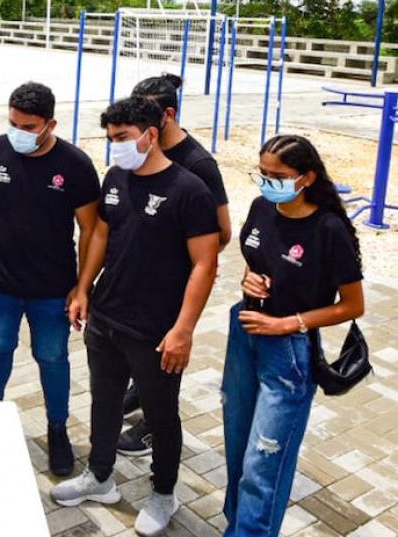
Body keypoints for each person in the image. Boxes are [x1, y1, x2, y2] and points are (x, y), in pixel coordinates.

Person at [52, 97, 220, 537]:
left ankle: (164, 493)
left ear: (149, 134)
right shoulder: (115, 178)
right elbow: (102, 234)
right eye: (111, 139)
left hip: (156, 330)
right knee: (103, 403)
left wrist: (183, 330)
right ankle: (101, 477)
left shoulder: (189, 189)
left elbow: (205, 263)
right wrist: (83, 289)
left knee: (161, 417)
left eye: (123, 138)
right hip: (106, 318)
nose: (116, 147)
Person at [222, 135, 364, 537]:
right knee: (237, 448)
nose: (268, 182)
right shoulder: (261, 207)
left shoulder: (328, 228)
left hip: (287, 351)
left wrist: (288, 324)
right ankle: (237, 527)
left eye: (278, 176)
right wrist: (248, 279)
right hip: (245, 331)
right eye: (262, 173)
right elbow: (254, 260)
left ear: (306, 178)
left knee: (263, 462)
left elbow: (352, 305)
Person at [0, 82, 99, 477]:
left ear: (50, 124)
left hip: (52, 290)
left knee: (52, 358)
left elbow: (91, 229)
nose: (18, 132)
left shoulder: (74, 165)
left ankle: (57, 428)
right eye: (12, 123)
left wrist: (82, 285)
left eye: (28, 126)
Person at [118, 73, 234, 456]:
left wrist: (172, 250)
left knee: (167, 355)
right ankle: (139, 393)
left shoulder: (198, 165)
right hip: (138, 279)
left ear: (167, 115)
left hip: (173, 284)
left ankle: (155, 427)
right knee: (141, 351)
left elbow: (222, 232)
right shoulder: (139, 151)